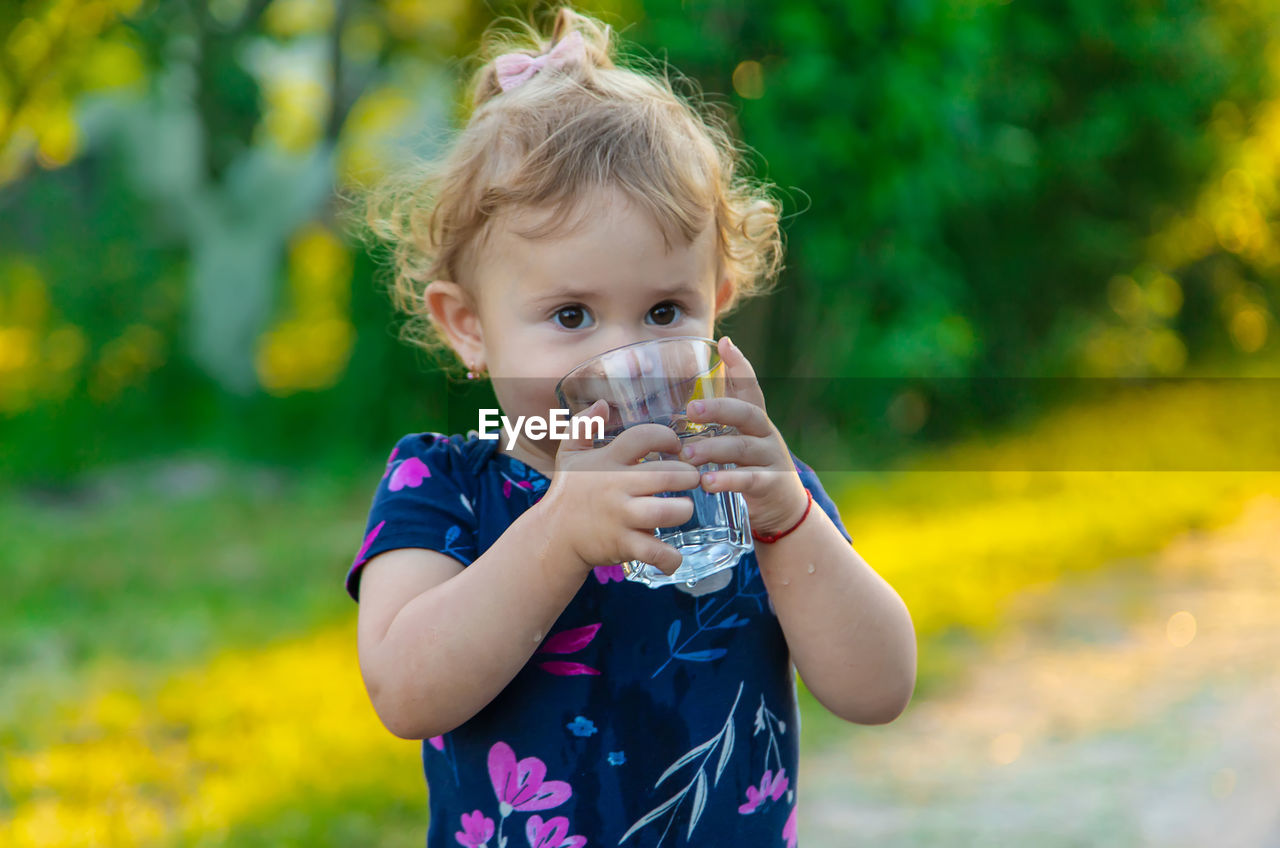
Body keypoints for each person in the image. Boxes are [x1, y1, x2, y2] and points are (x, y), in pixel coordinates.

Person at [347, 7, 916, 846]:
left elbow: (880, 689)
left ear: (717, 300)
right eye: (572, 314)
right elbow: (404, 690)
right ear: (468, 324)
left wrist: (790, 520)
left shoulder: (744, 486)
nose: (625, 358)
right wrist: (558, 535)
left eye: (662, 310)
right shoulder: (445, 488)